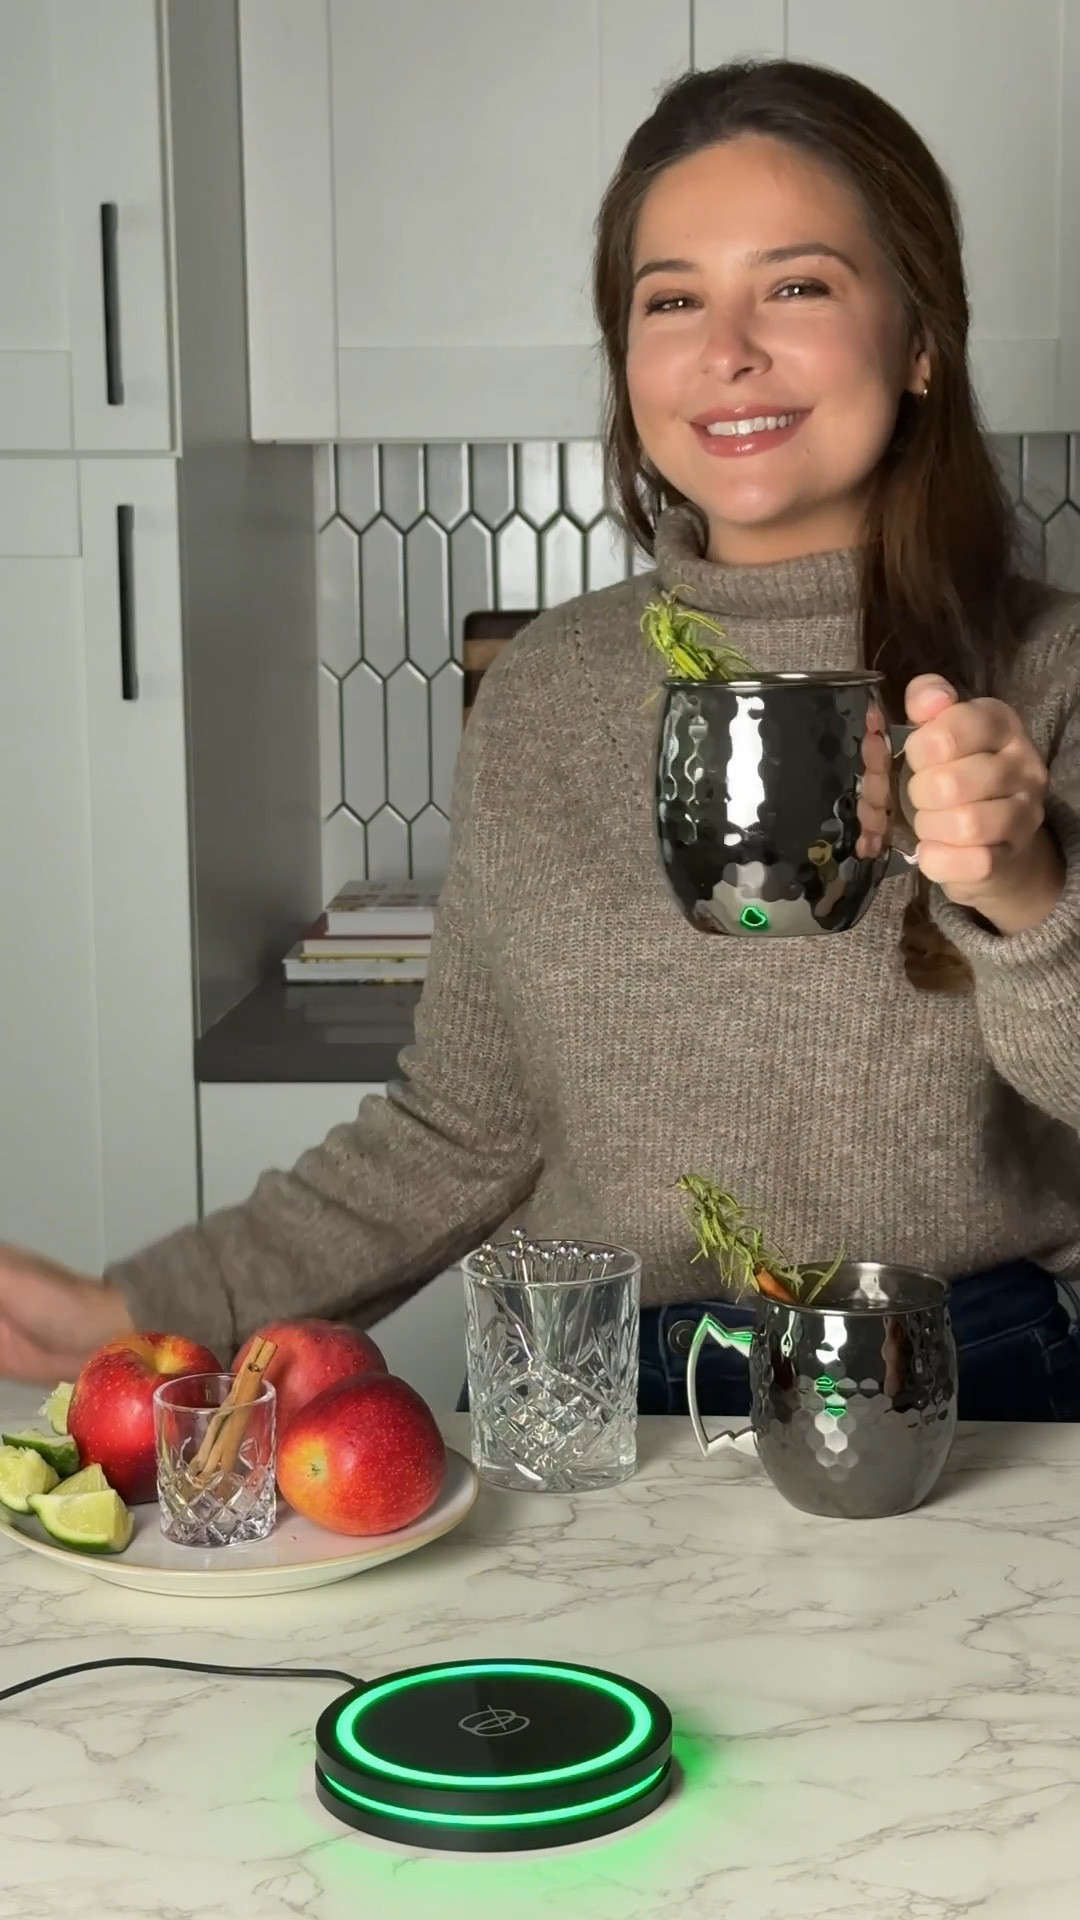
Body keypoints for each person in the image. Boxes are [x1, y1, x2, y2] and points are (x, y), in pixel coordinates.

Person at [3, 58, 1080, 1419]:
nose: (726, 348)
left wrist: (1022, 890)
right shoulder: (551, 686)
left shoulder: (1053, 672)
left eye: (796, 286)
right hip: (596, 1381)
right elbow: (462, 1130)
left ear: (923, 338)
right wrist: (139, 1310)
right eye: (671, 299)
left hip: (970, 1386)